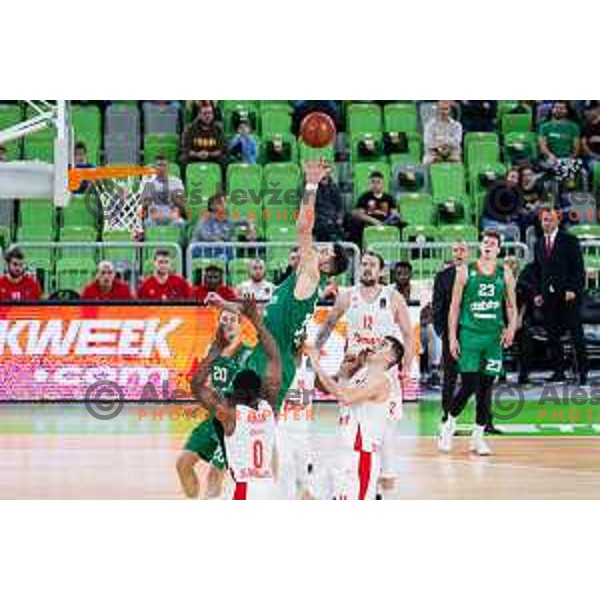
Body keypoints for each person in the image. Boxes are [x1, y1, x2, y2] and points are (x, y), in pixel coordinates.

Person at [314, 251, 414, 498]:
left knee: (386, 435)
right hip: (356, 370)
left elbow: (408, 334)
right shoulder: (348, 296)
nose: (367, 268)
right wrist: (315, 351)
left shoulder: (393, 297)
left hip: (383, 374)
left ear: (381, 271)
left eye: (372, 265)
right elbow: (327, 326)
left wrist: (407, 367)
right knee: (350, 428)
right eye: (364, 264)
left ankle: (381, 489)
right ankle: (350, 482)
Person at [189, 298, 282, 500]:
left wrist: (215, 349)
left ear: (235, 395)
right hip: (270, 489)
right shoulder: (270, 409)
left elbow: (196, 386)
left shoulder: (230, 415)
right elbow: (275, 357)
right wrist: (256, 321)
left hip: (245, 491)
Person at [438, 229, 517, 456]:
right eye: (485, 242)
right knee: (470, 385)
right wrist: (452, 337)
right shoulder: (465, 271)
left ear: (499, 249)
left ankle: (478, 438)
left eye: (493, 243)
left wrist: (511, 328)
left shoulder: (506, 273)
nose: (488, 246)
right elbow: (454, 308)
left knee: (486, 388)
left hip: (493, 337)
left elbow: (511, 305)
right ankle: (448, 424)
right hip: (470, 336)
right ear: (481, 246)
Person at [308, 336, 405, 500]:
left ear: (391, 358)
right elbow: (324, 387)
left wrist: (317, 365)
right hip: (340, 452)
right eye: (378, 342)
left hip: (359, 458)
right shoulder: (361, 373)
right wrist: (343, 372)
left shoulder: (382, 381)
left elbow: (345, 397)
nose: (376, 345)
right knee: (309, 496)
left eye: (383, 345)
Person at [177, 308, 255, 499]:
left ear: (240, 325)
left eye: (232, 319)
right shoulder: (213, 352)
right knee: (183, 464)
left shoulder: (249, 354)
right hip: (213, 419)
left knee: (214, 474)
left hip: (233, 425)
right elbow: (209, 385)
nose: (227, 323)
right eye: (224, 319)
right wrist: (198, 403)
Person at [531, 208, 587, 385]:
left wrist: (572, 289)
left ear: (557, 221)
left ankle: (583, 372)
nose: (546, 223)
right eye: (544, 220)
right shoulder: (539, 243)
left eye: (549, 220)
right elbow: (539, 271)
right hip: (548, 297)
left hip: (568, 295)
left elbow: (578, 269)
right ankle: (559, 372)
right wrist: (539, 292)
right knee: (553, 336)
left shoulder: (569, 240)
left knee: (576, 334)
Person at [432, 241, 470, 423]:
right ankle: (447, 414)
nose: (458, 253)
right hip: (451, 332)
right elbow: (437, 306)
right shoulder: (442, 277)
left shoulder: (476, 275)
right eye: (455, 250)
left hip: (474, 332)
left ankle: (486, 420)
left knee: (479, 376)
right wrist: (443, 332)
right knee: (450, 376)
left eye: (462, 250)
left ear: (468, 253)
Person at [350, 171, 403, 245]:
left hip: (386, 222)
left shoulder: (389, 198)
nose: (375, 184)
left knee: (402, 225)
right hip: (369, 222)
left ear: (383, 184)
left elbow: (394, 213)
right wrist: (374, 221)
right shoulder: (365, 197)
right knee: (355, 223)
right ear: (369, 184)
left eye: (378, 182)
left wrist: (395, 215)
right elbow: (359, 214)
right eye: (373, 182)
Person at [140, 155, 186, 228]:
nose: (161, 168)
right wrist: (152, 198)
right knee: (147, 224)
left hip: (172, 215)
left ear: (168, 167)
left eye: (164, 165)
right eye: (159, 165)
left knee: (180, 223)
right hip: (154, 215)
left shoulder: (176, 182)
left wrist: (174, 198)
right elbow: (142, 205)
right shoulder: (147, 182)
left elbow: (183, 206)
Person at [180, 101, 226, 167]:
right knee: (183, 159)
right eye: (205, 113)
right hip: (195, 158)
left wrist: (209, 154)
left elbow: (222, 149)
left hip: (212, 158)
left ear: (213, 114)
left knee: (223, 160)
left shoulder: (218, 129)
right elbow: (186, 149)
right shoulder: (190, 129)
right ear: (199, 114)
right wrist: (197, 154)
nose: (208, 116)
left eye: (210, 113)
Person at [423, 100, 463, 164]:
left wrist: (440, 141)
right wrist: (441, 146)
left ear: (450, 110)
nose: (443, 112)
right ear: (437, 110)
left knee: (457, 160)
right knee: (427, 160)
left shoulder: (457, 126)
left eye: (445, 109)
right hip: (433, 153)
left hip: (451, 153)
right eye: (441, 109)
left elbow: (457, 142)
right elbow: (428, 143)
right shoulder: (429, 125)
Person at [314, 161, 345, 242]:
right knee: (324, 226)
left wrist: (339, 217)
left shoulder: (334, 187)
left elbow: (340, 207)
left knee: (352, 220)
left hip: (332, 217)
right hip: (318, 219)